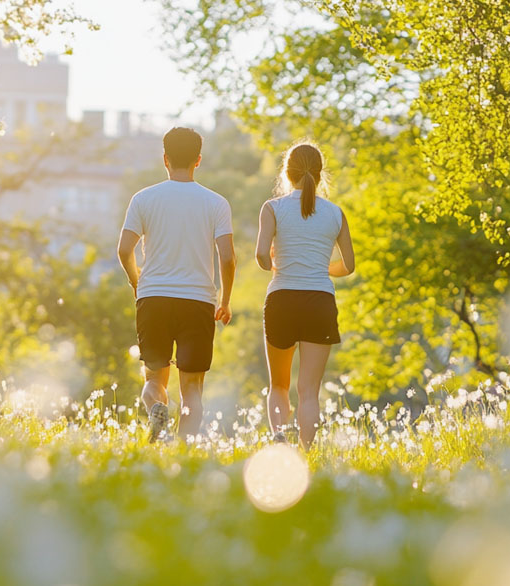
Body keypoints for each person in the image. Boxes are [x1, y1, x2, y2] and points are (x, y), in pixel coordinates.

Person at [117, 127, 235, 442]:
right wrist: (224, 300)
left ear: (165, 159)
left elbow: (124, 250)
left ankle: (156, 409)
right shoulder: (216, 203)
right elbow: (227, 258)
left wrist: (136, 282)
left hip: (153, 297)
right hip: (198, 301)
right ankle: (182, 452)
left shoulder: (143, 198)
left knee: (154, 379)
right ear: (198, 160)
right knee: (192, 389)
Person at [255, 141, 355, 449]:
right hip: (319, 302)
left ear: (287, 172)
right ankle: (307, 452)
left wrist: (274, 261)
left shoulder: (272, 208)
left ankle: (279, 441)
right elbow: (348, 266)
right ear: (321, 173)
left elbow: (261, 256)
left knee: (279, 385)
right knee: (309, 390)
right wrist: (322, 268)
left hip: (282, 299)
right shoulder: (335, 213)